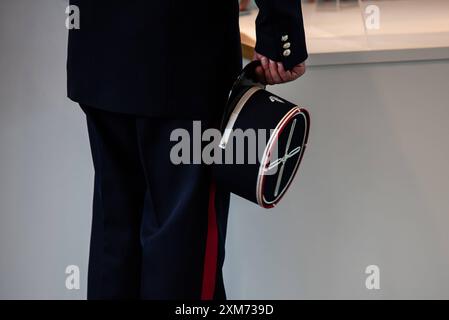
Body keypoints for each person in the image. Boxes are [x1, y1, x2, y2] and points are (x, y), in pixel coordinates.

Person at [67, 0, 308, 300]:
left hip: (99, 50)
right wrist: (281, 33)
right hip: (182, 56)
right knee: (181, 249)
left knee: (115, 237)